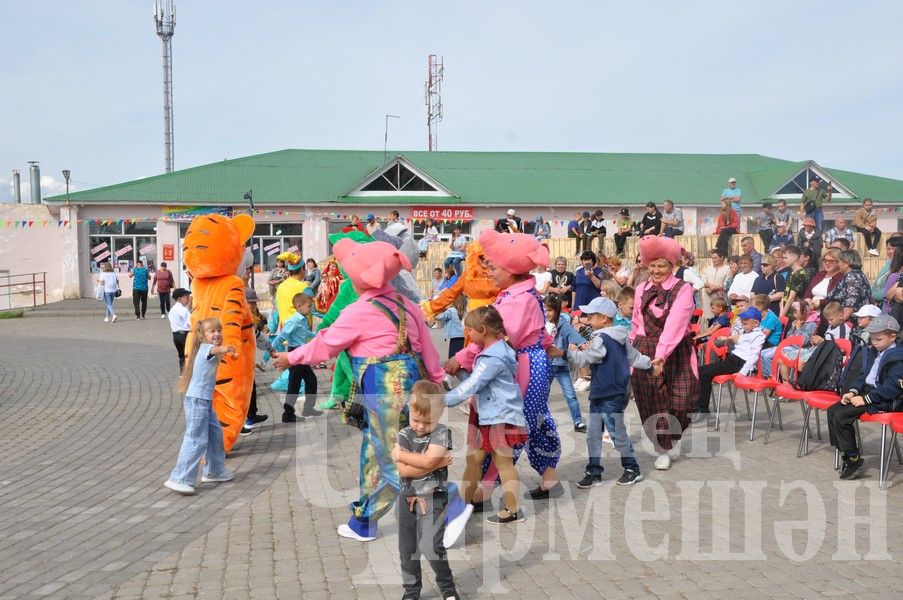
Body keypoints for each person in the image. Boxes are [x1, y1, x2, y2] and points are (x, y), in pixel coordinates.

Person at [272, 238, 444, 542]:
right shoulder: (406, 304)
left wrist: (291, 357)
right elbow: (427, 349)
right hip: (413, 387)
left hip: (384, 391)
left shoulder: (358, 311)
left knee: (394, 457)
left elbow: (325, 344)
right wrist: (437, 381)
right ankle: (364, 521)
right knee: (374, 454)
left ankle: (445, 506)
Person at [444, 229, 562, 500]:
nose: (490, 270)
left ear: (509, 270)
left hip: (523, 365)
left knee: (506, 425)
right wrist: (546, 345)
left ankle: (485, 488)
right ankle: (548, 474)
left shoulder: (516, 300)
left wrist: (459, 358)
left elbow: (493, 340)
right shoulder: (521, 294)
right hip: (533, 362)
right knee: (537, 419)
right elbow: (538, 330)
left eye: (494, 266)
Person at [444, 306, 527, 524]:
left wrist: (443, 400)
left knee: (503, 463)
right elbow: (478, 382)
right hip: (489, 415)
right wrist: (457, 372)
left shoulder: (492, 357)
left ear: (482, 330)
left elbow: (473, 383)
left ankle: (513, 510)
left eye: (470, 331)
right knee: (474, 459)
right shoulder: (497, 350)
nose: (468, 336)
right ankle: (464, 502)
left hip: (499, 418)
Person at [564, 297, 651, 488]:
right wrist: (651, 363)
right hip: (606, 391)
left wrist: (570, 351)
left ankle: (632, 468)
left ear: (604, 318)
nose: (588, 319)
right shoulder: (620, 336)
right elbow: (634, 358)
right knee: (594, 433)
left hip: (608, 391)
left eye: (591, 316)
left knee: (614, 431)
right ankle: (593, 471)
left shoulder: (601, 338)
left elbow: (584, 359)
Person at [630, 236, 699, 470]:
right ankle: (663, 448)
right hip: (645, 349)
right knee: (652, 402)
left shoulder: (683, 288)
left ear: (672, 266)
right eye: (653, 265)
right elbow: (635, 323)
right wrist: (631, 354)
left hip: (675, 349)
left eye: (662, 265)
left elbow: (676, 325)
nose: (657, 270)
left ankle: (673, 436)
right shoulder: (641, 289)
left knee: (681, 401)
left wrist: (661, 356)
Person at [392, 381, 459, 600]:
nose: (420, 426)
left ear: (439, 415)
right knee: (407, 549)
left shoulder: (441, 433)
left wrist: (404, 456)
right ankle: (411, 591)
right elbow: (404, 469)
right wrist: (435, 464)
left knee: (431, 546)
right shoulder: (404, 434)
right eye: (416, 420)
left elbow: (428, 460)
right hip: (406, 498)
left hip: (433, 497)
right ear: (409, 410)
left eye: (427, 422)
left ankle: (448, 589)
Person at [163, 317, 236, 495]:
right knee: (196, 439)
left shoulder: (206, 349)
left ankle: (214, 470)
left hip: (205, 401)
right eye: (212, 331)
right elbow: (214, 349)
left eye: (219, 330)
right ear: (203, 335)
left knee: (215, 434)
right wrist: (225, 349)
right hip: (197, 401)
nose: (217, 334)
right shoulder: (206, 348)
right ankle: (179, 478)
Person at [828, 315, 903, 480]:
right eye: (872, 338)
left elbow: (894, 386)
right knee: (833, 410)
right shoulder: (874, 351)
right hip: (869, 392)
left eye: (879, 339)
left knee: (842, 415)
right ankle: (847, 453)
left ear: (892, 337)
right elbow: (864, 376)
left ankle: (853, 458)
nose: (874, 342)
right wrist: (853, 391)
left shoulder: (898, 357)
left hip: (886, 399)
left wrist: (866, 399)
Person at [696, 307, 766, 415]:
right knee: (698, 370)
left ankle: (703, 409)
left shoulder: (759, 335)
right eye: (742, 323)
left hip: (739, 363)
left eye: (745, 323)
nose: (743, 325)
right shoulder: (745, 332)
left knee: (706, 375)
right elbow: (738, 344)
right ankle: (695, 403)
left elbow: (754, 356)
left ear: (756, 323)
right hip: (731, 360)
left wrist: (743, 372)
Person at [272, 293, 320, 422]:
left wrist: (317, 335)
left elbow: (304, 332)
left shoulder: (302, 320)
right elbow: (281, 336)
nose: (311, 309)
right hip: (295, 353)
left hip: (301, 353)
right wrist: (270, 351)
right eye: (309, 306)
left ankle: (307, 409)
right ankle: (288, 414)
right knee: (295, 383)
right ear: (299, 306)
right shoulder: (293, 321)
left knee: (310, 381)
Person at [544, 296, 587, 432]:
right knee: (542, 394)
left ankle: (578, 421)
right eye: (544, 310)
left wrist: (583, 344)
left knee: (570, 395)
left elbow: (574, 336)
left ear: (556, 310)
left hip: (560, 365)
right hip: (545, 366)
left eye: (550, 310)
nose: (547, 313)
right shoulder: (540, 323)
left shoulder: (563, 324)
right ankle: (539, 421)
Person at [243, 288, 269, 432]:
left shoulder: (250, 316)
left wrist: (270, 349)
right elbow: (257, 335)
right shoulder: (241, 317)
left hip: (248, 359)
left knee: (252, 388)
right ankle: (242, 424)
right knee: (243, 392)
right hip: (238, 361)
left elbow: (257, 335)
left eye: (254, 303)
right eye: (251, 303)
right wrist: (270, 349)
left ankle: (252, 415)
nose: (254, 306)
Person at [825, 250, 872, 321]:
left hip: (850, 324)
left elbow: (851, 304)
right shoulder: (857, 274)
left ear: (846, 263)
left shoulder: (852, 278)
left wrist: (838, 323)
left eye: (839, 262)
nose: (838, 264)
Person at [274, 252, 309, 329]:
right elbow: (313, 310)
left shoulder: (281, 286)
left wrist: (271, 326)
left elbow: (276, 309)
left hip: (285, 333)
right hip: (300, 335)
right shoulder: (304, 287)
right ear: (302, 269)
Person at [780, 246, 813, 319]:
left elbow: (792, 297)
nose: (784, 260)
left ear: (794, 257)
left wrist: (782, 315)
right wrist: (782, 310)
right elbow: (785, 293)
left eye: (786, 258)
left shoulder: (800, 273)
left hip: (793, 313)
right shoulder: (791, 272)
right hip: (785, 311)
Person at [700, 249, 729, 320]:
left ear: (721, 258)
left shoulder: (727, 268)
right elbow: (703, 281)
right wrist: (708, 288)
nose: (713, 260)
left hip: (720, 299)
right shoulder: (708, 269)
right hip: (708, 297)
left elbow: (727, 283)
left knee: (720, 320)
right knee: (709, 319)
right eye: (712, 258)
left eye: (715, 258)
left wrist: (715, 288)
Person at [434, 295, 466, 359]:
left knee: (452, 355)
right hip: (464, 336)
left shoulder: (451, 311)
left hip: (454, 336)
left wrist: (441, 308)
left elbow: (439, 317)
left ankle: (453, 366)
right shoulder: (465, 311)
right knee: (461, 354)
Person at [168, 288, 192, 371]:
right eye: (186, 296)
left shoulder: (172, 310)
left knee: (181, 356)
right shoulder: (183, 310)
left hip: (175, 336)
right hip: (184, 335)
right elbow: (191, 323)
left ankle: (182, 374)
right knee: (189, 355)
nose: (188, 298)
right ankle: (188, 375)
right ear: (179, 298)